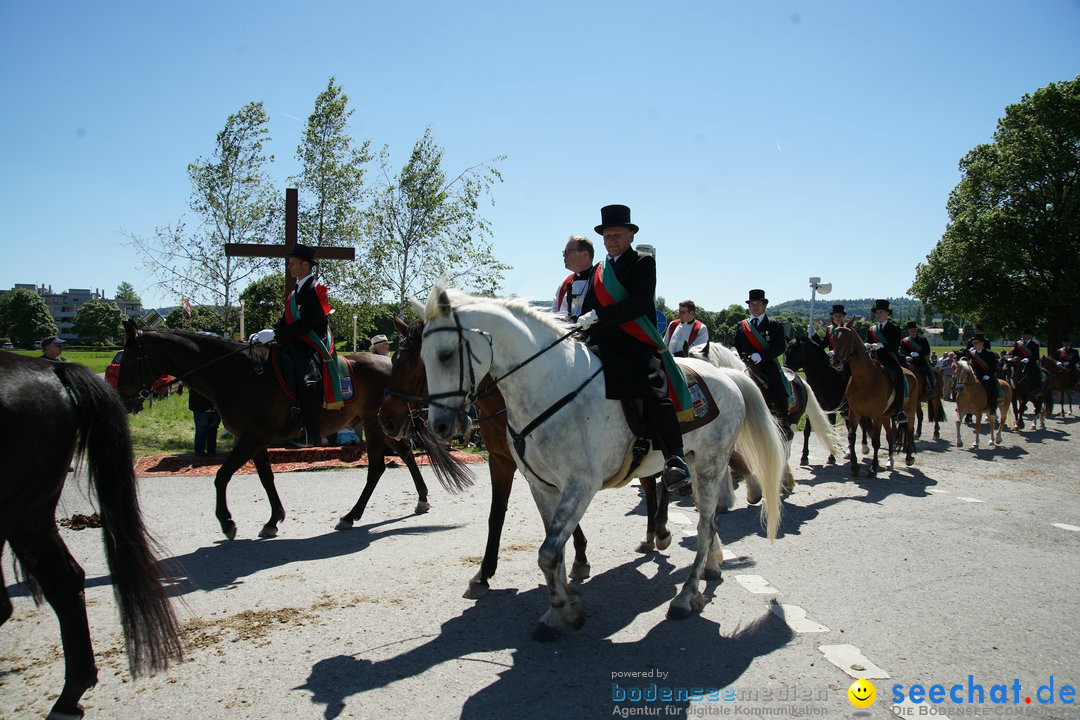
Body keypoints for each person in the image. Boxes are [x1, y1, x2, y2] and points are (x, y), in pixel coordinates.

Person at [576, 204, 692, 493]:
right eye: (607, 236)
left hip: (636, 342)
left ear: (630, 235)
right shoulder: (599, 271)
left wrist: (600, 316)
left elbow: (640, 303)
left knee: (653, 390)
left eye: (617, 234)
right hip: (600, 341)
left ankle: (674, 457)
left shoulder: (642, 262)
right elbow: (591, 305)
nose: (611, 240)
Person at [250, 243, 334, 447]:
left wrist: (277, 334)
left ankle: (312, 431)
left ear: (305, 265)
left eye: (292, 262)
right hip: (295, 341)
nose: (289, 266)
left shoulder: (315, 290)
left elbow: (306, 324)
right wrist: (266, 333)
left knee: (307, 381)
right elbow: (285, 321)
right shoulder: (295, 292)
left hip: (312, 343)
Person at [733, 289, 791, 437]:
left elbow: (779, 347)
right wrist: (733, 352)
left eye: (758, 304)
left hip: (766, 364)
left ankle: (784, 421)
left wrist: (761, 355)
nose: (754, 307)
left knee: (777, 387)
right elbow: (736, 344)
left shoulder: (774, 325)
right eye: (752, 304)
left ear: (764, 305)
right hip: (745, 364)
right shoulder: (742, 325)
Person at [864, 299, 906, 423]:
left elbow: (895, 344)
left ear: (887, 313)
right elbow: (868, 340)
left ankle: (899, 409)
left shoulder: (894, 328)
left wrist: (882, 345)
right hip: (874, 358)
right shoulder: (872, 329)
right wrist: (867, 344)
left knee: (899, 375)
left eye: (881, 312)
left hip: (889, 359)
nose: (879, 314)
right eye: (877, 312)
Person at [552, 235, 595, 321]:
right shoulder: (565, 283)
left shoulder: (599, 280)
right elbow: (554, 314)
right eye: (564, 251)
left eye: (568, 251)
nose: (564, 255)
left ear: (585, 255)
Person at [968, 334, 1000, 416]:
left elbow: (993, 366)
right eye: (973, 343)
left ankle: (992, 406)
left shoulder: (990, 353)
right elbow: (969, 363)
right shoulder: (972, 353)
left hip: (987, 375)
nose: (974, 345)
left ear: (982, 343)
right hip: (976, 375)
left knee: (992, 388)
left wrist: (988, 375)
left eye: (976, 343)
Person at [901, 321, 934, 395]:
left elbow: (927, 350)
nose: (913, 331)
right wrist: (908, 355)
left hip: (920, 360)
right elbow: (902, 351)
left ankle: (930, 388)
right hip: (909, 360)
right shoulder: (904, 341)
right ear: (908, 330)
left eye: (915, 330)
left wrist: (918, 354)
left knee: (927, 370)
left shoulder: (923, 340)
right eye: (912, 330)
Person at [188, 389, 220, 457]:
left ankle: (211, 451)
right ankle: (199, 452)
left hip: (214, 407)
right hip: (201, 406)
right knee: (201, 429)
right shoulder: (197, 381)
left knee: (213, 429)